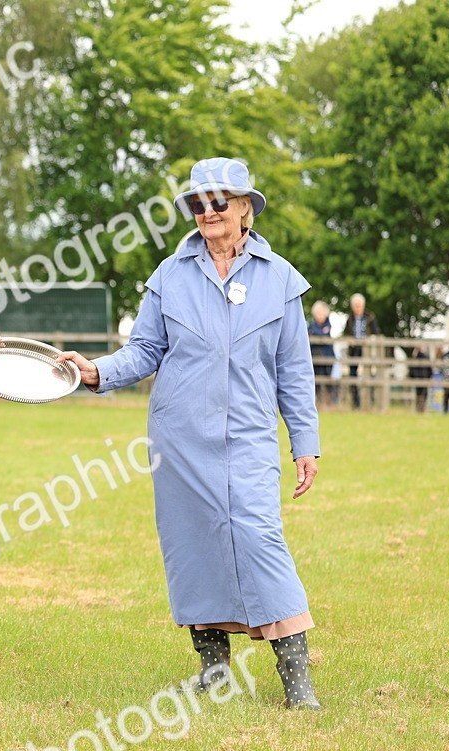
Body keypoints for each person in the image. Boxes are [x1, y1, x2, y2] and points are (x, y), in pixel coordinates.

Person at [57, 157, 322, 710]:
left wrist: (305, 442)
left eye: (219, 202)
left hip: (249, 437)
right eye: (197, 204)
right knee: (193, 546)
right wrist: (96, 372)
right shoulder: (169, 276)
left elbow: (294, 371)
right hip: (179, 439)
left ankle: (297, 678)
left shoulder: (280, 279)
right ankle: (214, 670)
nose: (207, 212)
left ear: (245, 208)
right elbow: (146, 350)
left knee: (258, 538)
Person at [346, 293, 381, 409]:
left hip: (367, 350)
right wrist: (350, 340)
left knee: (369, 374)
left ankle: (370, 400)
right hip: (353, 349)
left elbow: (376, 332)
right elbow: (346, 333)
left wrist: (368, 341)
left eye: (359, 305)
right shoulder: (349, 318)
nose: (358, 308)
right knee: (352, 374)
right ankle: (355, 402)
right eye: (356, 305)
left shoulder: (370, 317)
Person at [308, 300, 338, 407]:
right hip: (314, 357)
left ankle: (330, 402)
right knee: (316, 382)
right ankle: (319, 403)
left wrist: (315, 333)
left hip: (327, 357)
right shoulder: (310, 324)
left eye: (321, 313)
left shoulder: (328, 324)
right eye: (318, 313)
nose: (320, 316)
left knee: (328, 380)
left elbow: (321, 334)